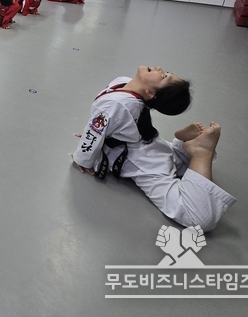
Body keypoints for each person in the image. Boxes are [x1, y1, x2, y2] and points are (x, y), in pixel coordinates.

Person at [71, 66, 235, 232]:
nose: (159, 68)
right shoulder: (124, 83)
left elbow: (95, 132)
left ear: (150, 93)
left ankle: (201, 153)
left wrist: (83, 159)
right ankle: (186, 145)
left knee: (198, 218)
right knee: (176, 158)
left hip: (142, 162)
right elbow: (106, 125)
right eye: (166, 72)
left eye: (163, 76)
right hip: (155, 146)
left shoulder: (116, 102)